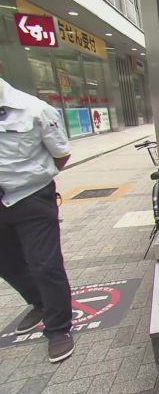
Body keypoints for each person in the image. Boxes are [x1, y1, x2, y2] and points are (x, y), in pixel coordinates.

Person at [0, 78, 74, 363]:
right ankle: (40, 302)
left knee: (44, 263)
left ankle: (58, 328)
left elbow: (61, 155)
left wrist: (32, 179)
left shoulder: (34, 109)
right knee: (7, 263)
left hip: (31, 197)